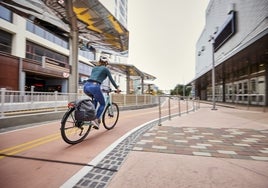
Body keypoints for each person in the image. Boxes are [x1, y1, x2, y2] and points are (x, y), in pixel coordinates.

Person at [83, 55, 120, 130]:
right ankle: (95, 119)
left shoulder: (94, 68)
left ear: (99, 61)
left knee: (95, 100)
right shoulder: (105, 69)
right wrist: (117, 88)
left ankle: (90, 116)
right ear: (106, 62)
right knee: (102, 104)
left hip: (86, 86)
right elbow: (111, 80)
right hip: (95, 86)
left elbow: (94, 78)